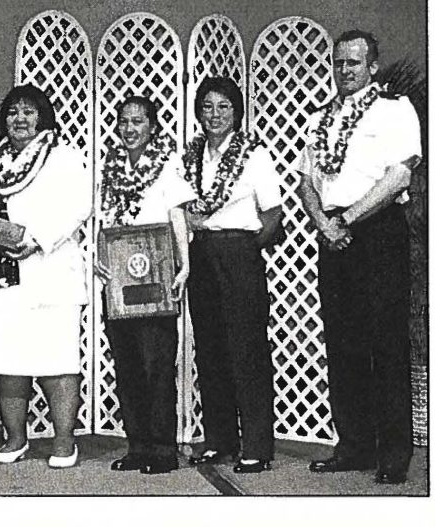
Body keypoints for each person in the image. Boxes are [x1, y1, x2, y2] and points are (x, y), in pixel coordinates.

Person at [296, 31, 421, 485]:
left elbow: (398, 175)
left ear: (372, 65)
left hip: (376, 230)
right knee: (343, 343)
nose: (344, 71)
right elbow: (307, 182)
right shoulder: (319, 117)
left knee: (385, 345)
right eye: (338, 63)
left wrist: (348, 218)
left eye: (353, 62)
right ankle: (354, 446)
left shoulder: (394, 110)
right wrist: (325, 223)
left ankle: (392, 455)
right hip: (332, 234)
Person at [0, 85, 92, 469]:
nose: (20, 119)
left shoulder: (63, 157)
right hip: (3, 278)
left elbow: (80, 206)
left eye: (29, 111)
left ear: (43, 116)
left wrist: (38, 241)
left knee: (56, 359)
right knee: (8, 360)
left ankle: (64, 442)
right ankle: (15, 438)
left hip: (50, 272)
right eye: (13, 112)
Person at [184, 76, 283, 474]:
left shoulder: (254, 154)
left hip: (240, 251)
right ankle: (219, 440)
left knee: (247, 350)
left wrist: (242, 251)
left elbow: (273, 214)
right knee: (210, 350)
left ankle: (257, 445)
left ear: (237, 111)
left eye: (223, 107)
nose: (214, 115)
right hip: (202, 252)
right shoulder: (191, 156)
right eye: (207, 107)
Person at [94, 96, 193, 474]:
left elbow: (177, 216)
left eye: (138, 121)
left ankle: (162, 450)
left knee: (156, 365)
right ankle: (137, 445)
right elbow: (102, 223)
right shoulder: (111, 168)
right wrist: (100, 260)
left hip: (156, 279)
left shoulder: (168, 166)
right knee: (128, 365)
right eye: (123, 121)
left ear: (152, 126)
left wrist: (183, 265)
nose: (130, 128)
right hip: (120, 285)